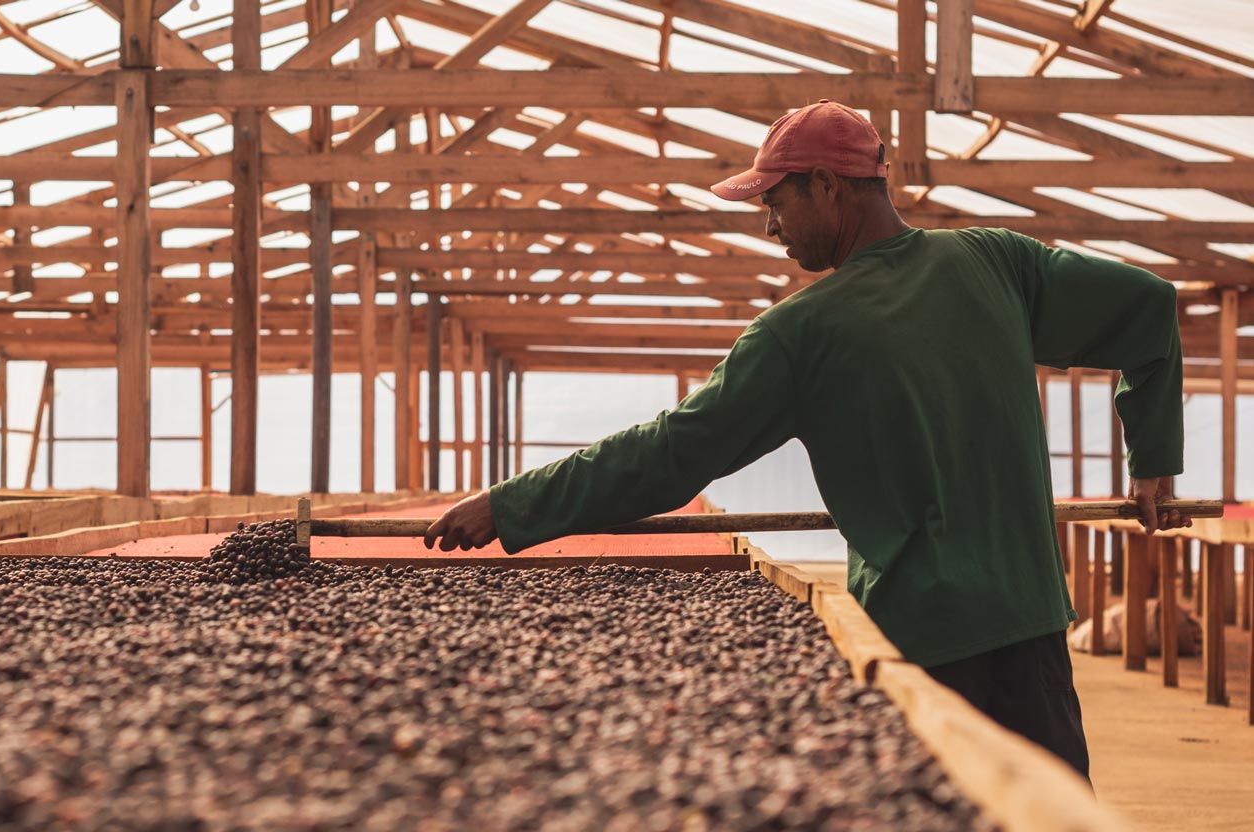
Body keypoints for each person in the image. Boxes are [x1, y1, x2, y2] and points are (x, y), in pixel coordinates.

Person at [423, 100, 1192, 780]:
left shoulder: (801, 332)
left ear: (827, 185)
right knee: (1048, 810)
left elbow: (669, 455)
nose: (768, 225)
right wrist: (1152, 462)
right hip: (1030, 622)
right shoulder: (996, 262)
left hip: (920, 637)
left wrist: (512, 504)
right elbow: (1148, 309)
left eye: (775, 202)